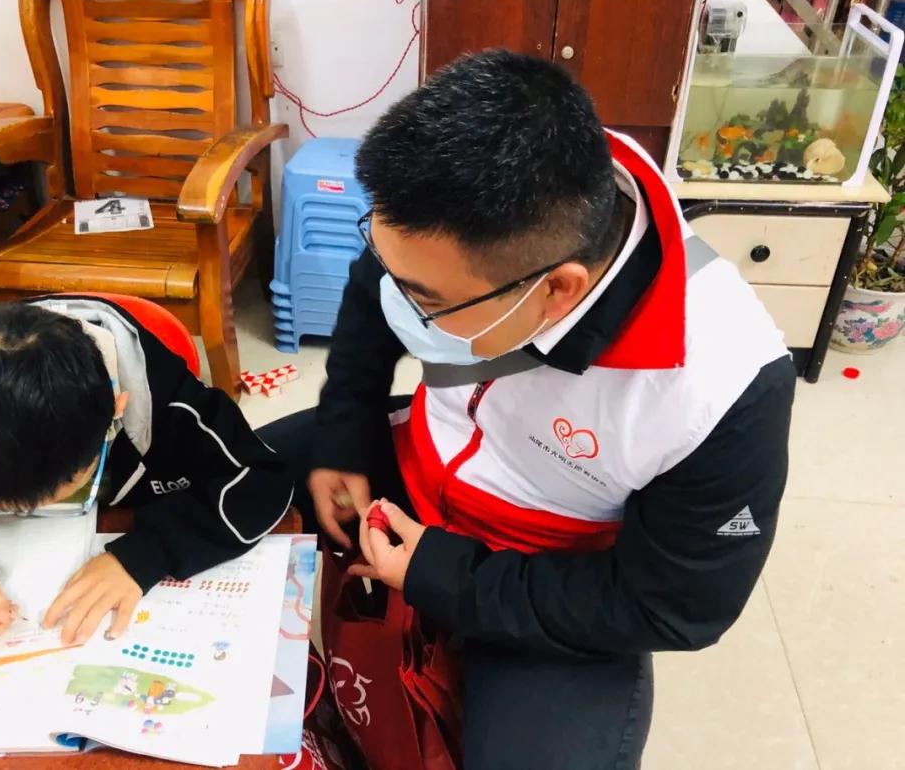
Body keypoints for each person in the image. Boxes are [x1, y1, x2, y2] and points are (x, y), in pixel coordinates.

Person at [262, 50, 795, 769]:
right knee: (215, 479)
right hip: (416, 459)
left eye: (427, 300)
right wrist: (345, 433)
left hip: (549, 573)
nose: (400, 301)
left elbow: (674, 605)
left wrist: (445, 574)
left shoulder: (723, 385)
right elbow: (377, 287)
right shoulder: (469, 211)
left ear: (558, 290)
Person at [0, 296, 293, 646]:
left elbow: (258, 480)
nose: (34, 510)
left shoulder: (168, 403)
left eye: (70, 486)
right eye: (0, 501)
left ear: (116, 411)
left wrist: (143, 556)